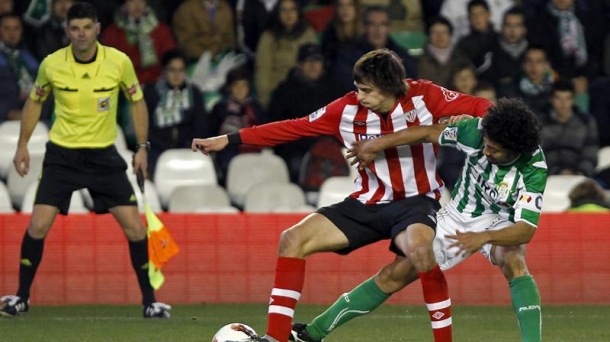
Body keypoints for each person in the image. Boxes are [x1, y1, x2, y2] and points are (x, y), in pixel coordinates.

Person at [193, 48, 493, 342]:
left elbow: (483, 107)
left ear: (388, 87)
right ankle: (275, 337)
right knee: (292, 239)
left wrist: (478, 124)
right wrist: (229, 139)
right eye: (357, 88)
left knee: (421, 253)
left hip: (415, 203)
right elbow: (293, 128)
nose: (359, 96)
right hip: (365, 203)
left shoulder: (425, 96)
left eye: (366, 90)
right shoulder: (346, 109)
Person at [290, 97, 546, 342]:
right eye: (486, 144)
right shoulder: (475, 131)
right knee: (394, 275)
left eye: (495, 149)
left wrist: (483, 237)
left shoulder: (533, 169)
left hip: (502, 221)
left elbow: (525, 230)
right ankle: (313, 332)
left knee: (514, 260)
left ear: (515, 150)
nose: (486, 150)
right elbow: (426, 133)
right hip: (458, 215)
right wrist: (378, 143)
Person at [0, 2, 170, 319]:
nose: (81, 34)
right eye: (75, 28)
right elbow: (35, 103)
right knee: (37, 224)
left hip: (104, 155)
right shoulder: (52, 64)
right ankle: (21, 297)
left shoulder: (118, 62)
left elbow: (137, 101)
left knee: (135, 227)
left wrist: (142, 147)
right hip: (62, 155)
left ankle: (150, 302)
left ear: (96, 29)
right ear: (67, 31)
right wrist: (22, 144)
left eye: (86, 28)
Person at [143, 49, 207, 178]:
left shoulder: (194, 93)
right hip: (157, 149)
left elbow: (200, 125)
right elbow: (145, 127)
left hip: (189, 148)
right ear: (164, 71)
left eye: (181, 70)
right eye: (172, 70)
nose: (177, 75)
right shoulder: (151, 93)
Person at [102, 0, 176, 85]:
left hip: (158, 84)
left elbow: (172, 61)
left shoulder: (161, 30)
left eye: (141, 1)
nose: (137, 5)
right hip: (124, 85)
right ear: (124, 4)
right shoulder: (112, 33)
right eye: (132, 1)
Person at [539, 79, 598, 177]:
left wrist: (581, 172)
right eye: (558, 98)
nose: (563, 103)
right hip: (549, 177)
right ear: (551, 99)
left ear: (573, 100)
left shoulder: (586, 122)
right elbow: (539, 154)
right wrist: (557, 172)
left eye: (567, 98)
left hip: (580, 176)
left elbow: (590, 152)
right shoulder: (540, 123)